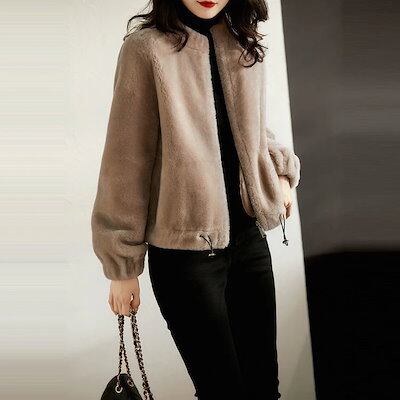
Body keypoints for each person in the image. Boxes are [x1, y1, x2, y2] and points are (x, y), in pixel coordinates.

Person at [91, 1, 300, 398]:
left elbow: (250, 132)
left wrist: (281, 174)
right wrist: (122, 266)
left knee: (264, 389)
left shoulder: (240, 40)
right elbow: (126, 159)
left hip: (250, 245)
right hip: (185, 259)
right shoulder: (146, 49)